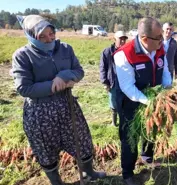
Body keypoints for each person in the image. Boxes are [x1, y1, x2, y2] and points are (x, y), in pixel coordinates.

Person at [11, 15, 106, 185]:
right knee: (46, 151)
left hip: (67, 104)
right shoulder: (22, 56)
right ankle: (57, 182)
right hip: (40, 112)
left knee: (82, 141)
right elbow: (23, 88)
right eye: (42, 36)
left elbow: (78, 71)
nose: (49, 39)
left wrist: (64, 75)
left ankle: (89, 172)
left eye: (51, 33)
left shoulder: (65, 49)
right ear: (31, 36)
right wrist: (53, 84)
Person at [113, 17, 172, 185]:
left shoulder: (160, 48)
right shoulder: (124, 54)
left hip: (153, 97)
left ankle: (147, 157)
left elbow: (165, 70)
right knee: (130, 136)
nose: (162, 40)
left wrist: (167, 90)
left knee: (151, 129)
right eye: (158, 37)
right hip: (130, 101)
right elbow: (128, 87)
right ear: (145, 39)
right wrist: (150, 102)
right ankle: (127, 173)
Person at [99, 30, 128, 126]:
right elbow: (103, 68)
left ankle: (124, 121)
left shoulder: (128, 51)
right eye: (121, 39)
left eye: (124, 39)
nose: (123, 41)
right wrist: (105, 82)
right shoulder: (107, 52)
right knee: (113, 103)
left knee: (125, 102)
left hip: (125, 82)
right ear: (115, 39)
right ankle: (114, 122)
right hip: (113, 82)